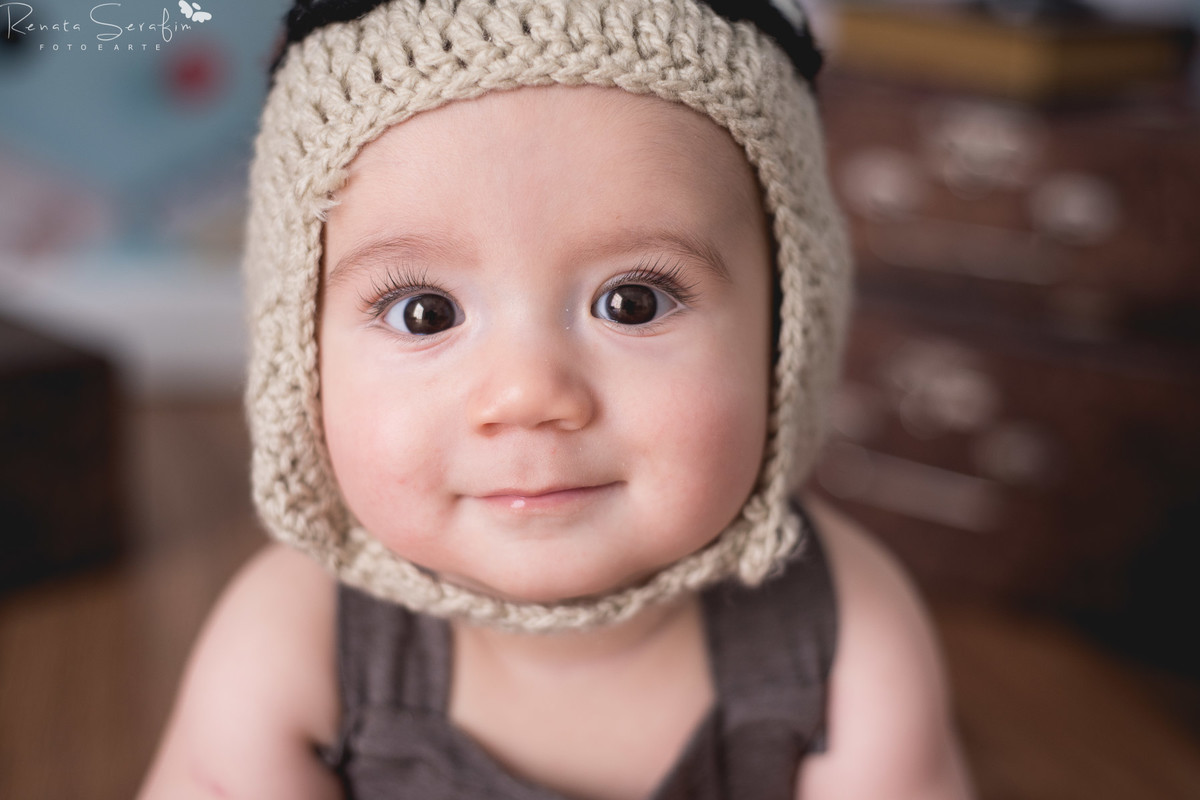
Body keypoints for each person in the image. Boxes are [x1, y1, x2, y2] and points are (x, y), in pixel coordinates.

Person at [139, 1, 974, 797]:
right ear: (300, 353)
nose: (529, 395)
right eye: (424, 313)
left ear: (788, 328)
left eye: (633, 302)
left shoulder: (846, 630)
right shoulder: (291, 642)